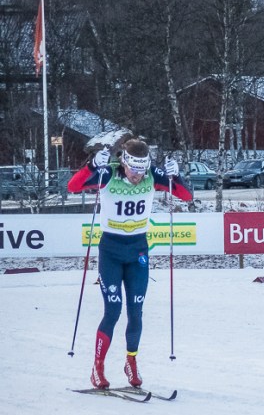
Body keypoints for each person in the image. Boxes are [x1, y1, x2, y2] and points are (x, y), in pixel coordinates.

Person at [68, 137, 193, 389]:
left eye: (142, 170)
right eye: (134, 169)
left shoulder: (151, 175)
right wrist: (92, 166)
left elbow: (186, 196)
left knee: (136, 313)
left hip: (137, 251)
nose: (138, 175)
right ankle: (98, 367)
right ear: (123, 162)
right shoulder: (108, 173)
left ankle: (131, 362)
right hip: (111, 251)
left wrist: (176, 176)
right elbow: (73, 187)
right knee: (112, 311)